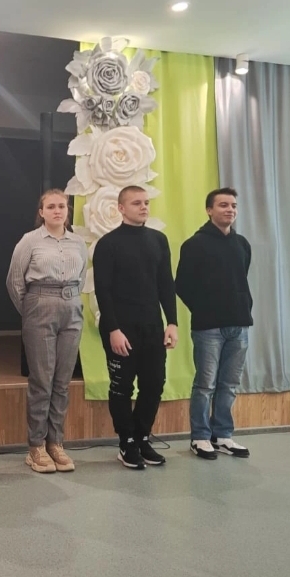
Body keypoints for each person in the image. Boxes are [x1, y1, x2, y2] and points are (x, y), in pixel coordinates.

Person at [93, 185, 178, 470]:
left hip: (152, 327)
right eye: (136, 203)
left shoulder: (158, 240)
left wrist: (172, 322)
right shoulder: (108, 244)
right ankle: (126, 442)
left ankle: (142, 438)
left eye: (146, 202)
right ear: (121, 208)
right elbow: (102, 290)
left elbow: (166, 284)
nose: (143, 207)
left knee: (154, 385)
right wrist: (113, 329)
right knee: (122, 388)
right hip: (120, 329)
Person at [6, 189, 88, 474]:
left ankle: (56, 443)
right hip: (40, 306)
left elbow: (82, 278)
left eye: (61, 206)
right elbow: (14, 282)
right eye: (51, 206)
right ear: (41, 212)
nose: (57, 211)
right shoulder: (30, 241)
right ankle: (36, 446)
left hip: (72, 308)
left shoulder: (78, 243)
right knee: (42, 380)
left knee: (62, 381)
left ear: (68, 210)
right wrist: (32, 310)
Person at [175, 187, 253, 460]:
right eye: (223, 205)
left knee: (229, 383)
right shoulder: (194, 244)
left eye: (233, 205)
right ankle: (200, 437)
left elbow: (241, 278)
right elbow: (182, 285)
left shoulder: (242, 244)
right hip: (208, 328)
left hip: (239, 325)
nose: (230, 209)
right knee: (205, 384)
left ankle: (222, 435)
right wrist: (204, 308)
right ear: (209, 210)